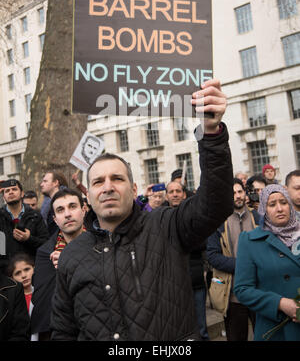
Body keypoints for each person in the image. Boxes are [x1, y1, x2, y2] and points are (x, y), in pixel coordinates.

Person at [50, 78, 234, 341]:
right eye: (98, 182)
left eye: (118, 179)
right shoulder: (71, 257)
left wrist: (212, 133)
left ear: (134, 190)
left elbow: (216, 203)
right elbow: (63, 331)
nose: (108, 187)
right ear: (88, 196)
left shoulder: (167, 227)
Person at [234, 184, 300, 341]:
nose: (279, 209)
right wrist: (280, 303)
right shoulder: (249, 241)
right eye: (272, 204)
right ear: (264, 208)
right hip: (276, 330)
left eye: (283, 202)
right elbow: (243, 289)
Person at [206, 178, 259, 341]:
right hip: (232, 295)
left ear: (245, 193)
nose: (237, 196)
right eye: (233, 193)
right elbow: (213, 256)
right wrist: (243, 265)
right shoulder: (217, 222)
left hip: (260, 291)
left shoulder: (258, 217)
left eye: (240, 192)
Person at [30, 188, 86, 341]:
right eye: (60, 210)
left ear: (84, 210)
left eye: (72, 206)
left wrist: (70, 260)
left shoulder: (102, 244)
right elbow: (43, 301)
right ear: (55, 219)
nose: (67, 214)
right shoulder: (44, 253)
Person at [0, 179, 48, 267]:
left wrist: (29, 239)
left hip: (31, 271)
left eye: (14, 189)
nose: (11, 192)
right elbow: (1, 251)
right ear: (3, 197)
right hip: (6, 272)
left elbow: (46, 244)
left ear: (22, 194)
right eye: (7, 191)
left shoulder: (35, 216)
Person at [40, 170, 68, 235]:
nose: (41, 184)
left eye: (45, 181)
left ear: (55, 183)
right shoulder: (49, 205)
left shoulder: (65, 201)